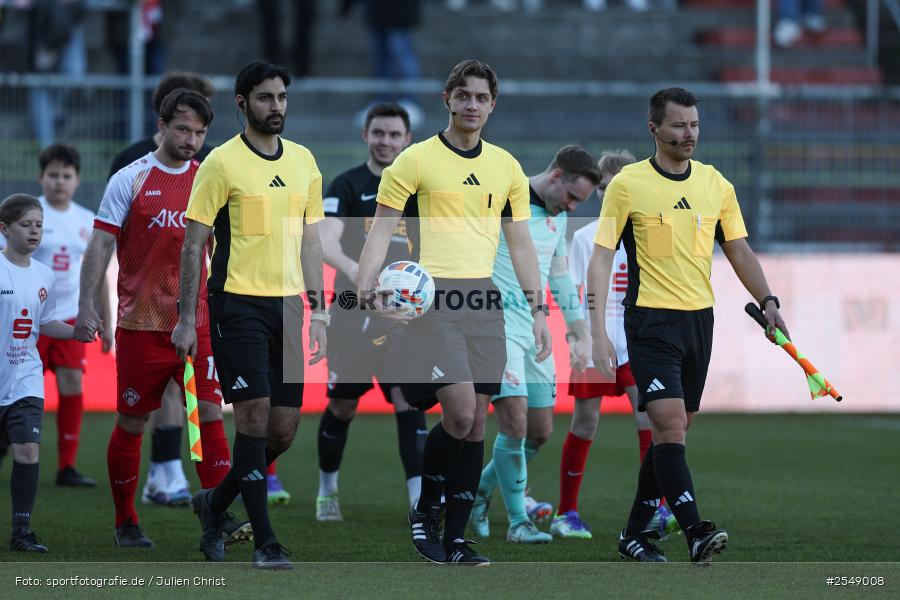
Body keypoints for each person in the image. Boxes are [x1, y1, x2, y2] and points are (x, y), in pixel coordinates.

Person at [356, 59, 550, 565]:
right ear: (447, 99)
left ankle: (458, 540)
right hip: (429, 302)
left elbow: (522, 246)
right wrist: (366, 289)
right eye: (463, 95)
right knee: (461, 412)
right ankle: (426, 512)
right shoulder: (414, 162)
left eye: (481, 97)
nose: (471, 105)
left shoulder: (506, 167)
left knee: (478, 425)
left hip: (483, 300)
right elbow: (379, 232)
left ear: (492, 104)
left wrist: (538, 311)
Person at [589, 87, 790, 564]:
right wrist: (596, 329)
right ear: (654, 129)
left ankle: (634, 533)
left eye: (695, 125)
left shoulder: (716, 184)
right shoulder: (628, 185)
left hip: (700, 322)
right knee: (670, 426)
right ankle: (696, 531)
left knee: (671, 437)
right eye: (679, 125)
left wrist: (767, 299)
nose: (689, 134)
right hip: (650, 323)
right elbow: (601, 257)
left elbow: (738, 248)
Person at [77, 90, 249, 550]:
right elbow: (99, 246)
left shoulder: (208, 180)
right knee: (133, 421)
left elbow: (223, 250)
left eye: (199, 132)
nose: (192, 140)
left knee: (210, 415)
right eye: (183, 130)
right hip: (140, 325)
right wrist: (87, 304)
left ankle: (214, 520)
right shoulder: (129, 179)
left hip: (198, 323)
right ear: (162, 125)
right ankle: (126, 521)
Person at [172, 61, 327, 570]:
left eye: (281, 97)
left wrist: (319, 310)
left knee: (282, 432)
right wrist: (183, 317)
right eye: (264, 98)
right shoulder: (220, 164)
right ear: (242, 104)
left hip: (289, 308)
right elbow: (194, 244)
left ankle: (213, 504)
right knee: (255, 421)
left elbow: (311, 240)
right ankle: (265, 543)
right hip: (237, 305)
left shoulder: (305, 161)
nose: (275, 106)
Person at [467, 145, 598, 545]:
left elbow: (557, 274)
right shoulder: (507, 198)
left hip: (535, 329)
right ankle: (519, 522)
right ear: (556, 175)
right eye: (573, 197)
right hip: (496, 326)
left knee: (539, 431)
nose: (573, 207)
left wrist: (581, 331)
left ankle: (479, 492)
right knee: (515, 422)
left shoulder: (557, 219)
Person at [550, 149, 676, 540]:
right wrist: (579, 338)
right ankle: (566, 511)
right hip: (596, 340)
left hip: (640, 342)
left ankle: (656, 507)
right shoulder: (586, 238)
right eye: (604, 188)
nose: (610, 194)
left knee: (650, 422)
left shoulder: (655, 232)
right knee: (585, 422)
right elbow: (571, 292)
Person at [316, 102, 428, 521]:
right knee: (344, 405)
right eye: (378, 133)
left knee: (408, 400)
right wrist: (362, 278)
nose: (386, 141)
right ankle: (327, 489)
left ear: (407, 140)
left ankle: (418, 501)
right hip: (352, 311)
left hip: (406, 317)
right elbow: (326, 243)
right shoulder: (347, 185)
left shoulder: (417, 193)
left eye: (394, 135)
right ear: (366, 135)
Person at [0, 193, 86, 553]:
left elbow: (46, 322)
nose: (35, 231)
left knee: (28, 450)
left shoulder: (44, 275)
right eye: (26, 225)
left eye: (39, 225)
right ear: (4, 229)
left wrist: (77, 330)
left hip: (25, 379)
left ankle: (22, 531)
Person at [31, 144, 110, 487]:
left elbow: (98, 274)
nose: (59, 182)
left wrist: (105, 322)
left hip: (67, 319)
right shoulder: (29, 214)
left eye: (66, 175)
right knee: (18, 391)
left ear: (77, 180)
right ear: (41, 178)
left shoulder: (85, 220)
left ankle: (67, 465)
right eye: (53, 175)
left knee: (71, 384)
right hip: (27, 321)